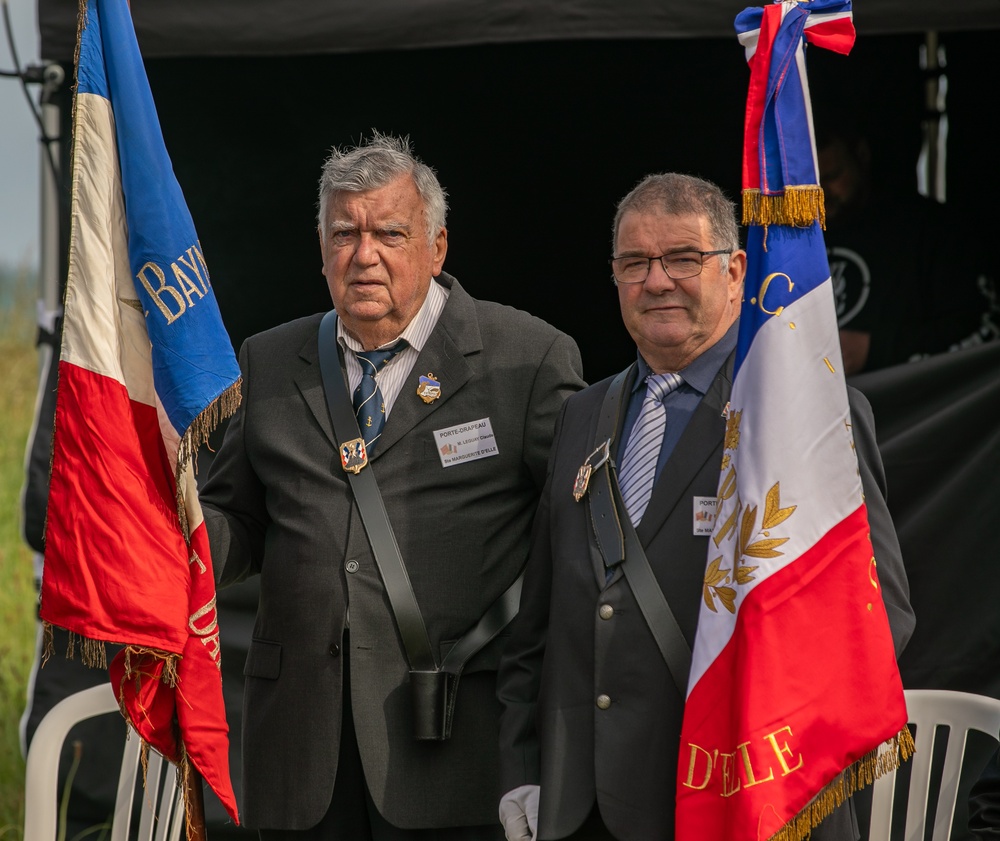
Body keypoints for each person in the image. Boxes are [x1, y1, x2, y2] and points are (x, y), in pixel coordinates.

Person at [495, 172, 915, 840]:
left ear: (736, 270)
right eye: (635, 263)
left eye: (683, 258)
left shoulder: (799, 412)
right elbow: (539, 629)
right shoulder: (582, 414)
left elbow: (879, 617)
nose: (657, 280)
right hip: (585, 809)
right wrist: (522, 768)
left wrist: (767, 741)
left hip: (739, 802)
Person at [198, 132, 586, 840]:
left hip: (455, 738)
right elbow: (236, 523)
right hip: (300, 750)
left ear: (437, 249)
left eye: (389, 233)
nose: (364, 254)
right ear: (320, 250)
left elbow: (581, 532)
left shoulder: (525, 360)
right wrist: (166, 523)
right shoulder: (269, 358)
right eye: (344, 232)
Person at [816, 112, 992, 375]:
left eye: (832, 175)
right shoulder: (789, 237)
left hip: (905, 408)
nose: (822, 193)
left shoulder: (928, 230)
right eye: (809, 185)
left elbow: (981, 329)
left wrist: (873, 350)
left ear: (861, 155)